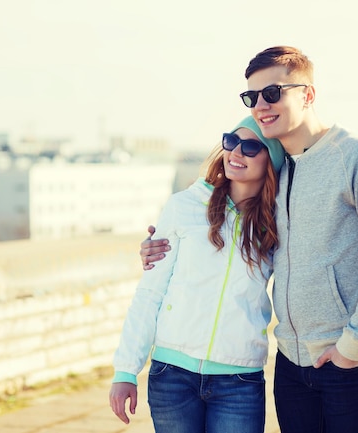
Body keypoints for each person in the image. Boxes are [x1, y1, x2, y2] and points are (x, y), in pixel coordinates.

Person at [139, 46, 358, 433]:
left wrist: (352, 347)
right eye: (252, 97)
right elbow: (226, 238)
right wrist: (162, 246)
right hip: (292, 364)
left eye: (273, 93)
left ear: (308, 94)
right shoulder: (275, 173)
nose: (261, 105)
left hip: (353, 363)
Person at [109, 116, 285, 433]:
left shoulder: (277, 223)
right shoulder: (184, 206)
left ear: (270, 160)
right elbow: (151, 292)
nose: (235, 153)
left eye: (250, 147)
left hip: (239, 380)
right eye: (231, 142)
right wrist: (126, 370)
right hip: (172, 375)